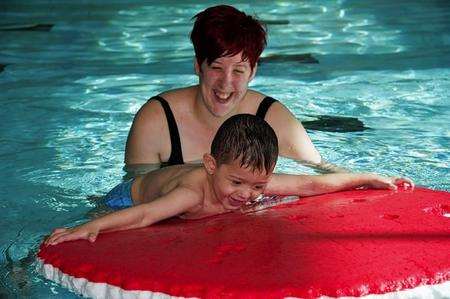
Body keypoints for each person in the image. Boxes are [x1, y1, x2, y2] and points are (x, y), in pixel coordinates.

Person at [47, 114, 413, 246]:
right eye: (237, 183)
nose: (247, 194)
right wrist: (89, 227)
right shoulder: (192, 193)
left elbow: (310, 186)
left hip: (170, 190)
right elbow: (143, 217)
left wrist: (368, 178)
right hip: (129, 198)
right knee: (84, 227)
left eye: (257, 185)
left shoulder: (252, 181)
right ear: (210, 165)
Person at [124, 4, 345, 177]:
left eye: (238, 70)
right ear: (198, 66)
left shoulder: (272, 117)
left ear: (253, 71)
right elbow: (131, 194)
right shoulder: (157, 120)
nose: (226, 84)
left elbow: (322, 169)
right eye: (216, 67)